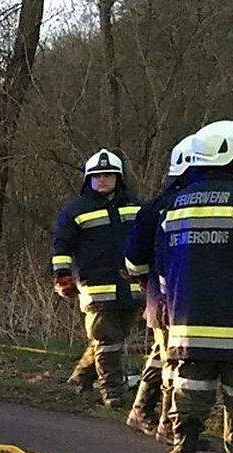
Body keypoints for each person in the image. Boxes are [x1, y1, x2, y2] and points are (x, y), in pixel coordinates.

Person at [127, 121, 233, 453]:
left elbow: (161, 265)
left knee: (190, 391)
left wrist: (164, 303)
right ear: (226, 155)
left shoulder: (175, 204)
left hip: (187, 323)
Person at [50, 149, 143, 407]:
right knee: (108, 339)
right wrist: (63, 276)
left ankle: (80, 378)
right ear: (88, 179)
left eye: (108, 175)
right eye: (96, 176)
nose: (102, 180)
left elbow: (148, 241)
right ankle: (113, 394)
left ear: (118, 178)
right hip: (95, 286)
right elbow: (61, 245)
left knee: (110, 338)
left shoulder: (135, 206)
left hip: (131, 286)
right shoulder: (75, 209)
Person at [124, 137, 192, 441]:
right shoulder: (168, 206)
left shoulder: (158, 205)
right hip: (169, 298)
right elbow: (136, 255)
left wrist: (144, 282)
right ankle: (167, 424)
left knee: (159, 353)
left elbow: (134, 259)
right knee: (172, 361)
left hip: (160, 296)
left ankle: (139, 411)